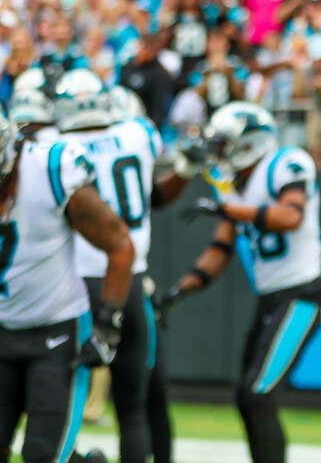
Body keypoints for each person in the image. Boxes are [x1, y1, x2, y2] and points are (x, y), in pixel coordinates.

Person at [156, 101, 321, 463]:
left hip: (302, 295)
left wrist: (226, 209)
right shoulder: (233, 185)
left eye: (223, 143)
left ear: (249, 141)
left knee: (257, 394)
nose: (217, 151)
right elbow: (221, 247)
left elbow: (290, 216)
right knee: (246, 396)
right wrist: (181, 290)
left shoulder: (285, 162)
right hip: (270, 299)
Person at [54, 69, 195, 463]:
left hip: (77, 286)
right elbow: (153, 191)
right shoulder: (137, 134)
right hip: (131, 282)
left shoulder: (56, 147)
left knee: (63, 404)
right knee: (133, 409)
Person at [0, 106, 134, 463]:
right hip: (3, 330)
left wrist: (108, 325)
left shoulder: (49, 171)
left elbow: (120, 244)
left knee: (43, 454)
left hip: (57, 333)